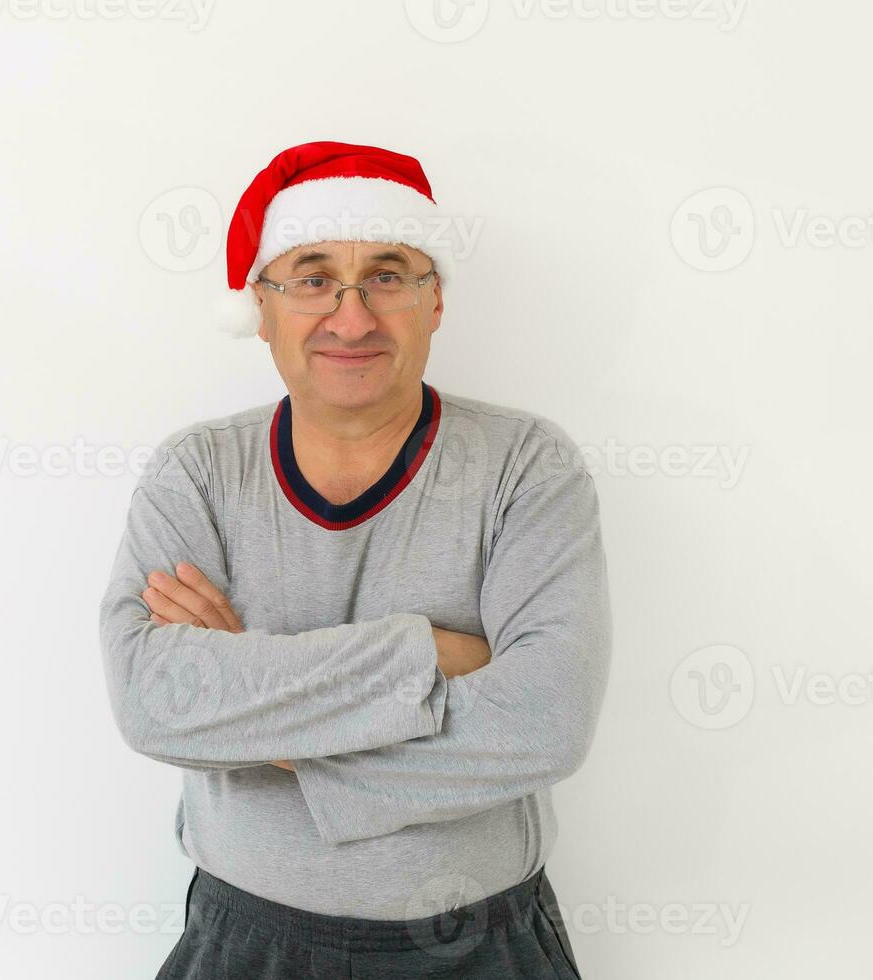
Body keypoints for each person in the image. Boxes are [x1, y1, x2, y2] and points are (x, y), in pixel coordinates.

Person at [97, 140, 611, 978]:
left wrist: (261, 727)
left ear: (434, 300)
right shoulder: (197, 471)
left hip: (480, 946)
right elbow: (153, 701)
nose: (352, 316)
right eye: (311, 276)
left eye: (388, 273)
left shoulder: (527, 465)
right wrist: (425, 656)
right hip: (245, 945)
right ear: (260, 307)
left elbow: (546, 722)